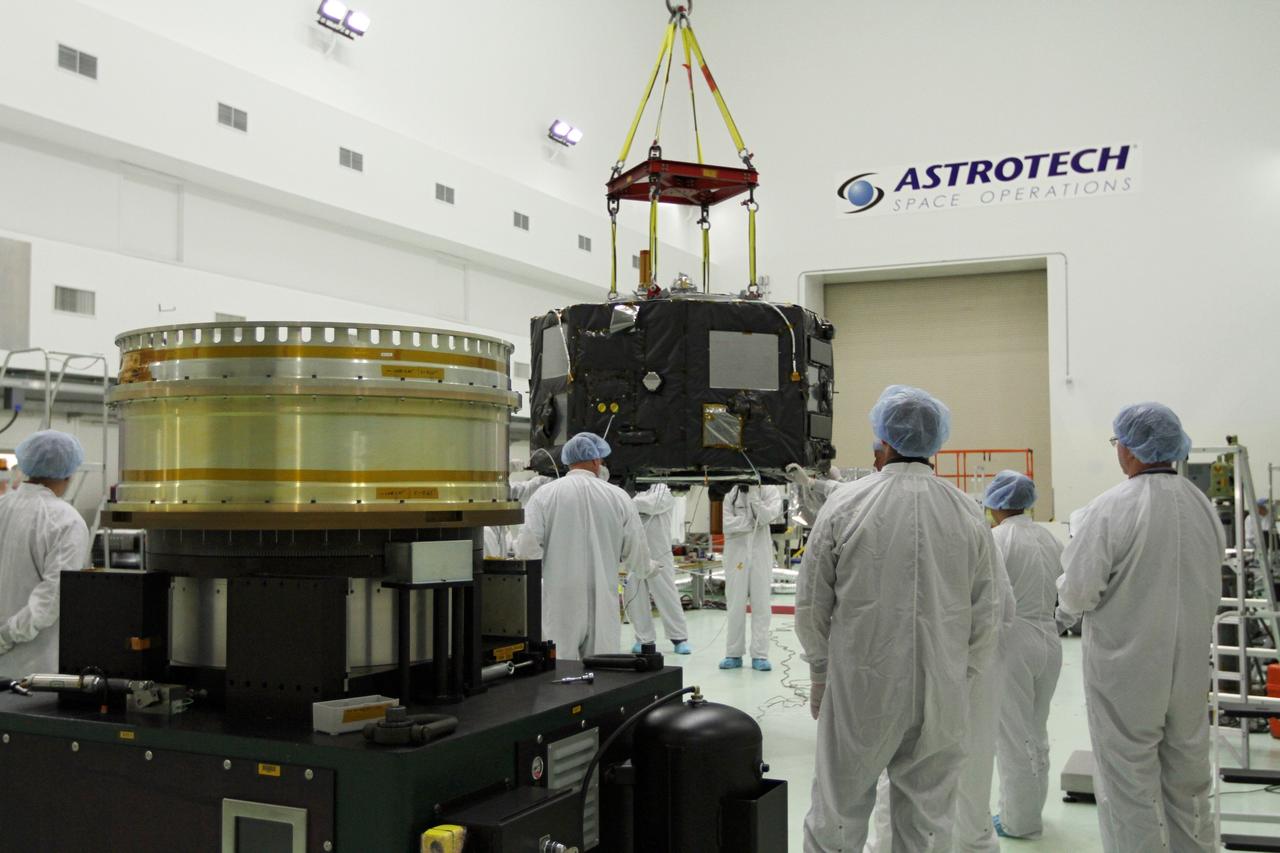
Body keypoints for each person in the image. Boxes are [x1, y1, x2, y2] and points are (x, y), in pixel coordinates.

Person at [797, 385, 1001, 853]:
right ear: (935, 441)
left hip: (861, 686)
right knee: (927, 823)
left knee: (838, 815)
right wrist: (960, 676)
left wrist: (820, 671)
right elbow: (988, 611)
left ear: (884, 440)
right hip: (941, 691)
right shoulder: (967, 512)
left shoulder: (846, 505)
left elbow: (811, 604)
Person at [1057, 403, 1223, 853]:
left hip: (1126, 670)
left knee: (1128, 782)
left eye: (1117, 443)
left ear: (1129, 449)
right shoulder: (1202, 505)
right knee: (1189, 778)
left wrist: (1062, 606)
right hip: (1189, 666)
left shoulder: (1111, 508)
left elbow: (1077, 592)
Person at [514, 432, 649, 661]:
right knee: (603, 667)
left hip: (560, 599)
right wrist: (647, 568)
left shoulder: (545, 495)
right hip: (603, 599)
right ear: (596, 460)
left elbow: (527, 549)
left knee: (559, 667)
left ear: (568, 460)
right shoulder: (618, 497)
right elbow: (635, 548)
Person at [983, 471, 1063, 841]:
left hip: (1013, 639)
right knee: (1036, 728)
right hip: (1049, 637)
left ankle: (1019, 820)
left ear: (994, 503)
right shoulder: (1048, 538)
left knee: (1012, 734)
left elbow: (987, 595)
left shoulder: (997, 539)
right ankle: (1032, 809)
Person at [0, 430, 90, 676]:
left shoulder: (2, 506)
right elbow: (53, 597)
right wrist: (5, 637)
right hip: (33, 669)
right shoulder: (66, 520)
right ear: (69, 473)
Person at [720, 482, 783, 671]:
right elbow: (725, 524)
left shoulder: (770, 491)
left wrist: (754, 495)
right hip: (736, 553)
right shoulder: (731, 492)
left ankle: (760, 655)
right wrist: (750, 522)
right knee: (735, 604)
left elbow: (766, 517)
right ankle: (733, 653)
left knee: (761, 604)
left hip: (760, 553)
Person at [626, 483, 691, 655]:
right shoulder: (631, 488)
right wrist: (632, 501)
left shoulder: (664, 488)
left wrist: (629, 501)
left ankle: (679, 638)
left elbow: (652, 505)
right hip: (635, 550)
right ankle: (644, 639)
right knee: (635, 595)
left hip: (659, 551)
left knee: (666, 593)